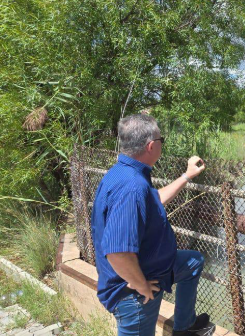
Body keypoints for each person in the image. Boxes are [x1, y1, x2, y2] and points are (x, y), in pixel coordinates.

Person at [91, 114, 209, 336]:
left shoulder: (125, 173)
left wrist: (187, 176)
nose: (162, 144)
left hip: (152, 268)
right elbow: (118, 252)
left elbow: (154, 199)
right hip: (133, 293)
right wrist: (141, 285)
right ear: (151, 146)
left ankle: (183, 327)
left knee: (193, 262)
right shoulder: (131, 187)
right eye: (161, 140)